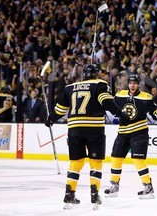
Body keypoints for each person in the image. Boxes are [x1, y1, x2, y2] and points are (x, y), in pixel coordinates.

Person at [44, 64, 130, 209]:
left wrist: (50, 118)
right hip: (93, 128)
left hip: (74, 129)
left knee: (76, 162)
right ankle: (94, 195)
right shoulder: (100, 84)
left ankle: (69, 194)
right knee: (95, 162)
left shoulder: (69, 87)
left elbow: (60, 110)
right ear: (97, 73)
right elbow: (106, 102)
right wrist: (121, 114)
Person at [104, 74, 157, 199]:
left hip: (139, 132)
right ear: (128, 84)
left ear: (139, 84)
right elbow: (110, 106)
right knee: (116, 158)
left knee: (138, 160)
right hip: (122, 132)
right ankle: (114, 186)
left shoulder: (147, 97)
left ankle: (148, 187)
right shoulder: (119, 95)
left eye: (135, 83)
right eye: (131, 83)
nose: (132, 85)